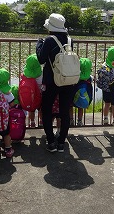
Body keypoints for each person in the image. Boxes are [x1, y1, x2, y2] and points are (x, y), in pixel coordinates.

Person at [36, 13, 75, 153]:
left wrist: (39, 44)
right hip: (68, 80)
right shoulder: (70, 40)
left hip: (51, 80)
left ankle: (51, 142)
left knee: (46, 110)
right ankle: (61, 143)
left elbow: (41, 59)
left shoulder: (49, 40)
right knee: (64, 112)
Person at [21, 53, 43, 128]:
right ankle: (41, 122)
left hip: (31, 96)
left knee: (31, 109)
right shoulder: (41, 75)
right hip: (40, 95)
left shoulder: (26, 75)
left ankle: (32, 122)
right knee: (41, 109)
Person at [73, 58, 93, 126]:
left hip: (74, 96)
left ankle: (70, 120)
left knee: (70, 106)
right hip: (83, 97)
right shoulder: (89, 78)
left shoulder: (76, 76)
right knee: (80, 107)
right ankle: (79, 121)